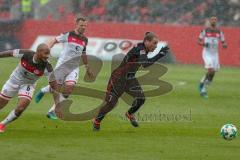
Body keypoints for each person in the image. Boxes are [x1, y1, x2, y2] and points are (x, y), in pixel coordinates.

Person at [92, 32, 169, 131]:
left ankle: (129, 113)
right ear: (146, 41)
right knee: (111, 103)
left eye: (157, 44)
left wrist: (159, 54)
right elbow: (145, 64)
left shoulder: (143, 49)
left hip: (130, 78)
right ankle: (97, 121)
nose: (156, 46)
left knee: (141, 99)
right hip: (118, 78)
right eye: (154, 43)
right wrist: (160, 54)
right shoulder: (140, 49)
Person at [34, 16, 93, 120]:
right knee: (56, 88)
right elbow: (54, 40)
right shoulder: (68, 34)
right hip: (62, 65)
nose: (83, 27)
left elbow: (83, 53)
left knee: (68, 90)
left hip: (74, 68)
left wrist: (87, 67)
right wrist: (47, 52)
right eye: (81, 25)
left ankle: (52, 111)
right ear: (76, 24)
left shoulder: (85, 39)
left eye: (85, 26)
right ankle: (43, 90)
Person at [0, 43, 59, 133]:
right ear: (38, 52)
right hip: (13, 81)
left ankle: (2, 124)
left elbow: (54, 86)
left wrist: (57, 103)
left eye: (48, 54)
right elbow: (10, 53)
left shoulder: (47, 67)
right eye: (45, 53)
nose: (47, 56)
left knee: (20, 109)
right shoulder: (26, 54)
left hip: (28, 85)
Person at [198, 16, 227, 98]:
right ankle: (203, 89)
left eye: (215, 20)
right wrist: (203, 44)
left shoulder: (219, 32)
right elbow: (199, 41)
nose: (214, 21)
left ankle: (202, 83)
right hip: (207, 53)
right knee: (210, 70)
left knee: (213, 73)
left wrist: (224, 44)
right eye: (212, 19)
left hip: (215, 55)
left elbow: (223, 41)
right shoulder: (205, 30)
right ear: (210, 21)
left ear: (216, 21)